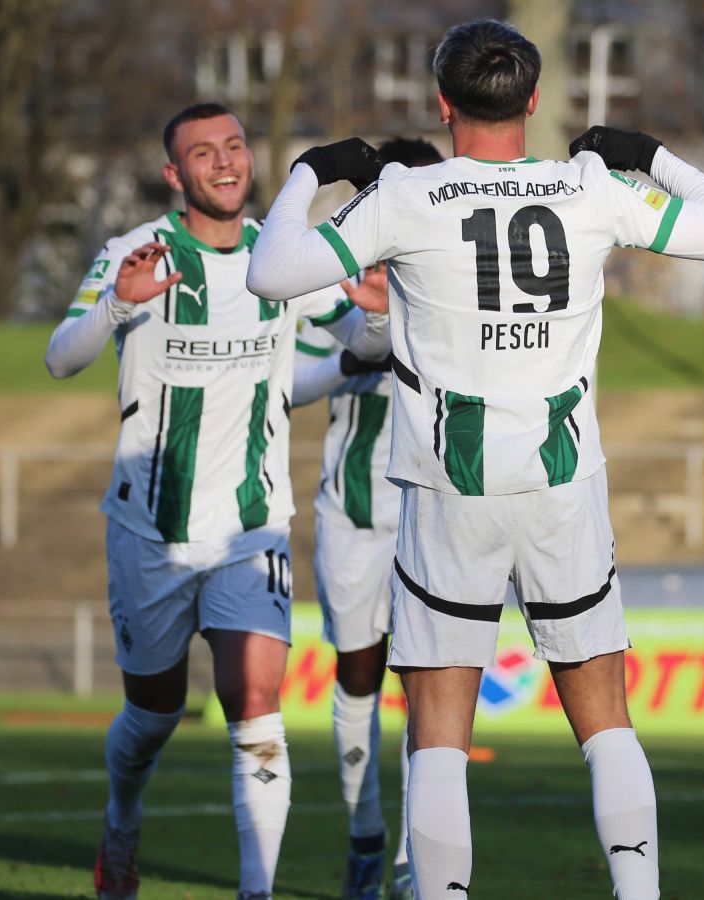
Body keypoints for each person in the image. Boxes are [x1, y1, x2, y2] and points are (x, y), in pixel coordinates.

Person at [248, 18, 704, 898]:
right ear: (530, 101)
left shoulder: (406, 198)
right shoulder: (589, 186)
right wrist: (649, 151)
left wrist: (310, 170)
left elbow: (271, 271)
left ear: (443, 105)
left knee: (440, 730)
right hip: (564, 486)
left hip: (453, 489)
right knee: (606, 724)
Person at [45, 102, 389, 900]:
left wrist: (374, 316)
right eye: (204, 153)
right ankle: (121, 825)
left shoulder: (284, 256)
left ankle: (255, 890)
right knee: (153, 717)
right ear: (176, 174)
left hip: (251, 528)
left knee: (255, 702)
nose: (226, 161)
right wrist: (117, 305)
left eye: (234, 145)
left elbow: (362, 345)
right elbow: (63, 359)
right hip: (149, 529)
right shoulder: (135, 252)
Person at [292, 136, 445, 900]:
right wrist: (362, 341)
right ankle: (365, 834)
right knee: (360, 675)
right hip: (354, 510)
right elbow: (282, 384)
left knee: (428, 687)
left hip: (436, 508)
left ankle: (421, 861)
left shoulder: (460, 267)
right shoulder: (332, 264)